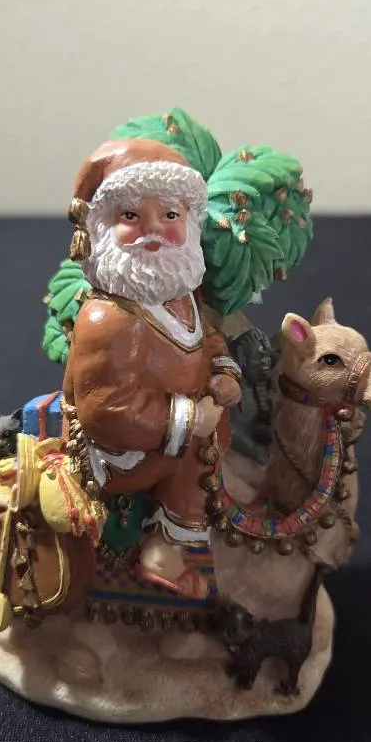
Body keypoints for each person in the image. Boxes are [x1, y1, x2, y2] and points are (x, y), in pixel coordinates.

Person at [62, 138, 242, 598]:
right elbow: (106, 410)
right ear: (103, 228)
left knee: (210, 439)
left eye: (170, 215)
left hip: (174, 425)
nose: (153, 230)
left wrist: (223, 372)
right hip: (117, 449)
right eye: (131, 216)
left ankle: (194, 514)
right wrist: (190, 419)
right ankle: (164, 548)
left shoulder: (180, 296)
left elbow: (207, 340)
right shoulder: (107, 319)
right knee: (197, 450)